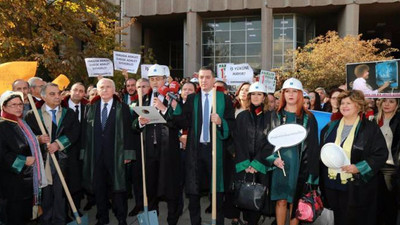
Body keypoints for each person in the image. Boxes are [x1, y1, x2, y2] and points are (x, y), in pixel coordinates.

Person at [173, 66, 235, 225]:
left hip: (216, 150)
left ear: (213, 80)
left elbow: (232, 124)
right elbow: (181, 121)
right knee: (193, 191)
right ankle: (195, 222)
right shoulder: (192, 99)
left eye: (208, 77)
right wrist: (174, 108)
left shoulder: (224, 99)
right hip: (195, 150)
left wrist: (221, 122)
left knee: (217, 190)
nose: (204, 80)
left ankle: (218, 221)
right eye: (201, 77)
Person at [320, 90, 388, 225]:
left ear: (358, 106)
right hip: (332, 184)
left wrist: (359, 167)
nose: (344, 106)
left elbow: (380, 154)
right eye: (342, 103)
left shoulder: (370, 128)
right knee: (339, 219)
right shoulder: (330, 127)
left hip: (357, 186)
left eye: (349, 103)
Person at [80, 78, 137, 225]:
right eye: (101, 87)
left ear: (113, 90)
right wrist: (84, 153)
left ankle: (121, 218)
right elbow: (85, 133)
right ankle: (102, 217)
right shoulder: (90, 108)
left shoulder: (122, 108)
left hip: (116, 156)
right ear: (97, 90)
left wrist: (127, 154)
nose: (104, 90)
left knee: (118, 190)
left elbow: (128, 132)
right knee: (99, 189)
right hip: (96, 156)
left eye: (107, 87)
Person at [266, 78, 319, 225]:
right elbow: (266, 142)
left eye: (294, 91)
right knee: (281, 201)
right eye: (287, 91)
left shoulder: (308, 118)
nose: (290, 94)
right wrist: (273, 159)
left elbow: (314, 147)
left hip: (300, 166)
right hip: (280, 165)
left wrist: (312, 175)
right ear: (283, 94)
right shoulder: (274, 115)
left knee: (295, 203)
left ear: (300, 94)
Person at [25, 83, 80, 225]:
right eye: (52, 94)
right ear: (43, 96)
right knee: (46, 194)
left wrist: (58, 144)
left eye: (59, 93)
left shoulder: (69, 114)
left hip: (63, 161)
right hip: (43, 161)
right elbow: (27, 137)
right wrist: (38, 139)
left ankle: (60, 220)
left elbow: (74, 133)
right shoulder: (33, 115)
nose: (57, 97)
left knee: (61, 193)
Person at [133, 64, 181, 225]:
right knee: (150, 185)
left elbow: (179, 122)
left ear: (165, 80)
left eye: (157, 79)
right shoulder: (145, 98)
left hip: (168, 150)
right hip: (150, 150)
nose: (154, 82)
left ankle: (172, 219)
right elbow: (134, 124)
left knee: (170, 187)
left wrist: (163, 109)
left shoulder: (173, 98)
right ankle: (152, 218)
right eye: (152, 79)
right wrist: (140, 122)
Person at [0, 91, 47, 225]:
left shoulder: (20, 122)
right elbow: (2, 154)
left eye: (20, 104)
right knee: (14, 215)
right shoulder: (2, 125)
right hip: (11, 181)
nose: (18, 107)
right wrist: (23, 160)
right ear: (4, 107)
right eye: (13, 105)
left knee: (25, 215)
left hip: (26, 179)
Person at [234, 82, 273, 225]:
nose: (256, 97)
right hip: (244, 165)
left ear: (264, 98)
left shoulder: (271, 117)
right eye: (253, 94)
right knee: (244, 200)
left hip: (261, 166)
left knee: (258, 201)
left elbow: (271, 142)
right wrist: (246, 163)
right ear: (249, 97)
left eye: (259, 94)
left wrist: (257, 163)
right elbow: (236, 140)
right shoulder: (242, 116)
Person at [61, 82, 89, 218]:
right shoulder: (61, 107)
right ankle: (65, 211)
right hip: (65, 150)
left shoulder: (88, 108)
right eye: (75, 90)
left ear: (84, 94)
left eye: (81, 91)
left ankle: (76, 209)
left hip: (83, 151)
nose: (78, 93)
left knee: (78, 182)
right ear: (70, 91)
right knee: (66, 182)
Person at [375, 98, 400, 225]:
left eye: (391, 101)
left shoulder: (398, 120)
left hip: (391, 168)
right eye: (384, 101)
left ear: (397, 104)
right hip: (373, 168)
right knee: (376, 205)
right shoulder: (373, 120)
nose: (386, 104)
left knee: (390, 205)